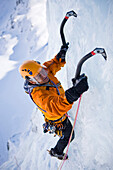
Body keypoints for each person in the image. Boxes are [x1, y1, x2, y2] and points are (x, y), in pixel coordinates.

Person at [19, 44, 89, 159]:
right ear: (31, 81)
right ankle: (56, 151)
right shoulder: (38, 95)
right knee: (69, 136)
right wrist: (74, 92)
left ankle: (57, 149)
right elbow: (55, 107)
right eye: (39, 77)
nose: (44, 76)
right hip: (56, 118)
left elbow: (51, 66)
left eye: (42, 71)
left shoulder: (42, 72)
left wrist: (60, 57)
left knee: (68, 133)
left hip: (60, 108)